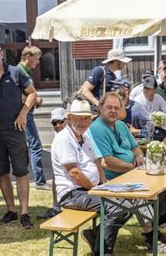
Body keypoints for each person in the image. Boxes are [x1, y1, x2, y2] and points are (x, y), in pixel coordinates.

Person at [88, 93, 166, 253]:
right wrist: (133, 167)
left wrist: (139, 156)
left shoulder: (120, 125)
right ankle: (151, 237)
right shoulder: (97, 128)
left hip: (131, 175)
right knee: (142, 196)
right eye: (109, 107)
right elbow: (107, 161)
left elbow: (135, 147)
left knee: (161, 185)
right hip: (112, 181)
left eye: (116, 108)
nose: (113, 111)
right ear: (100, 108)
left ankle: (158, 225)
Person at [51, 98, 129, 254]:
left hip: (87, 190)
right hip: (72, 194)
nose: (82, 122)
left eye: (86, 118)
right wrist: (95, 188)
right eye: (78, 118)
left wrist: (103, 183)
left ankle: (95, 236)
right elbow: (74, 173)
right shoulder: (64, 138)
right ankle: (102, 252)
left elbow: (97, 161)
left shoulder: (84, 136)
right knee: (116, 207)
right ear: (69, 118)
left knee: (128, 202)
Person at [0, 41, 36, 228]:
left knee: (21, 171)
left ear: (1, 54)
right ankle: (11, 210)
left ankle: (25, 212)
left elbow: (32, 93)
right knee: (1, 172)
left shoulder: (16, 72)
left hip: (15, 130)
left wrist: (23, 113)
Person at [17, 45, 50, 190]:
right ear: (27, 57)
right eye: (36, 59)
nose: (38, 63)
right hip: (24, 114)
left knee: (27, 147)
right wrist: (34, 100)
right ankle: (40, 181)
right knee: (35, 146)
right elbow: (16, 96)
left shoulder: (24, 71)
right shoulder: (20, 71)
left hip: (26, 113)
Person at [37, 107, 67, 220]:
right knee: (56, 174)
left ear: (67, 120)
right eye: (54, 123)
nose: (57, 125)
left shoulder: (71, 133)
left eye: (60, 122)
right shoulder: (58, 135)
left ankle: (57, 207)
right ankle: (56, 207)